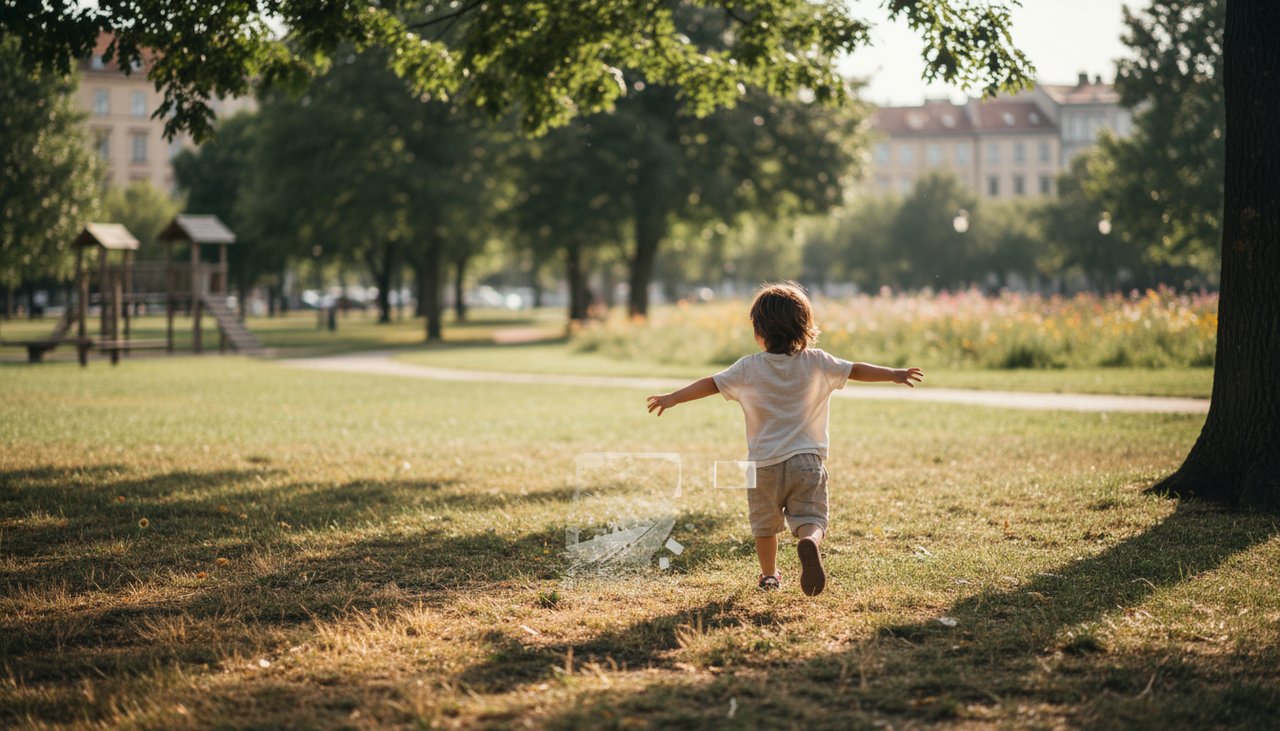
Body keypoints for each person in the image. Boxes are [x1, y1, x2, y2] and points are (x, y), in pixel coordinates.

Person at [646, 282, 922, 596]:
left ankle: (769, 577)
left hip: (762, 465)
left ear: (759, 331)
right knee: (811, 516)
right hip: (807, 461)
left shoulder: (748, 367)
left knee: (764, 526)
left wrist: (673, 398)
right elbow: (855, 370)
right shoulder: (817, 361)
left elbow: (711, 383)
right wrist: (893, 374)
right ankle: (809, 541)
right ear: (804, 327)